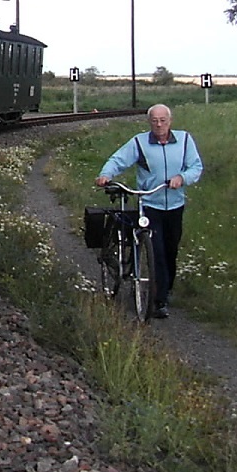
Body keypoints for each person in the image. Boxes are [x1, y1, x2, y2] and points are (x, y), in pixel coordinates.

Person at [96, 104, 203, 318]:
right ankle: (158, 300)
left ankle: (165, 289)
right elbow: (119, 159)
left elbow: (195, 167)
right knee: (158, 252)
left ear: (170, 121)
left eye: (163, 120)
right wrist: (105, 175)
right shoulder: (139, 142)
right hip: (150, 205)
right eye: (154, 120)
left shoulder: (184, 140)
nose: (159, 124)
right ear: (149, 122)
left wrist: (182, 178)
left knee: (171, 251)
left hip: (174, 205)